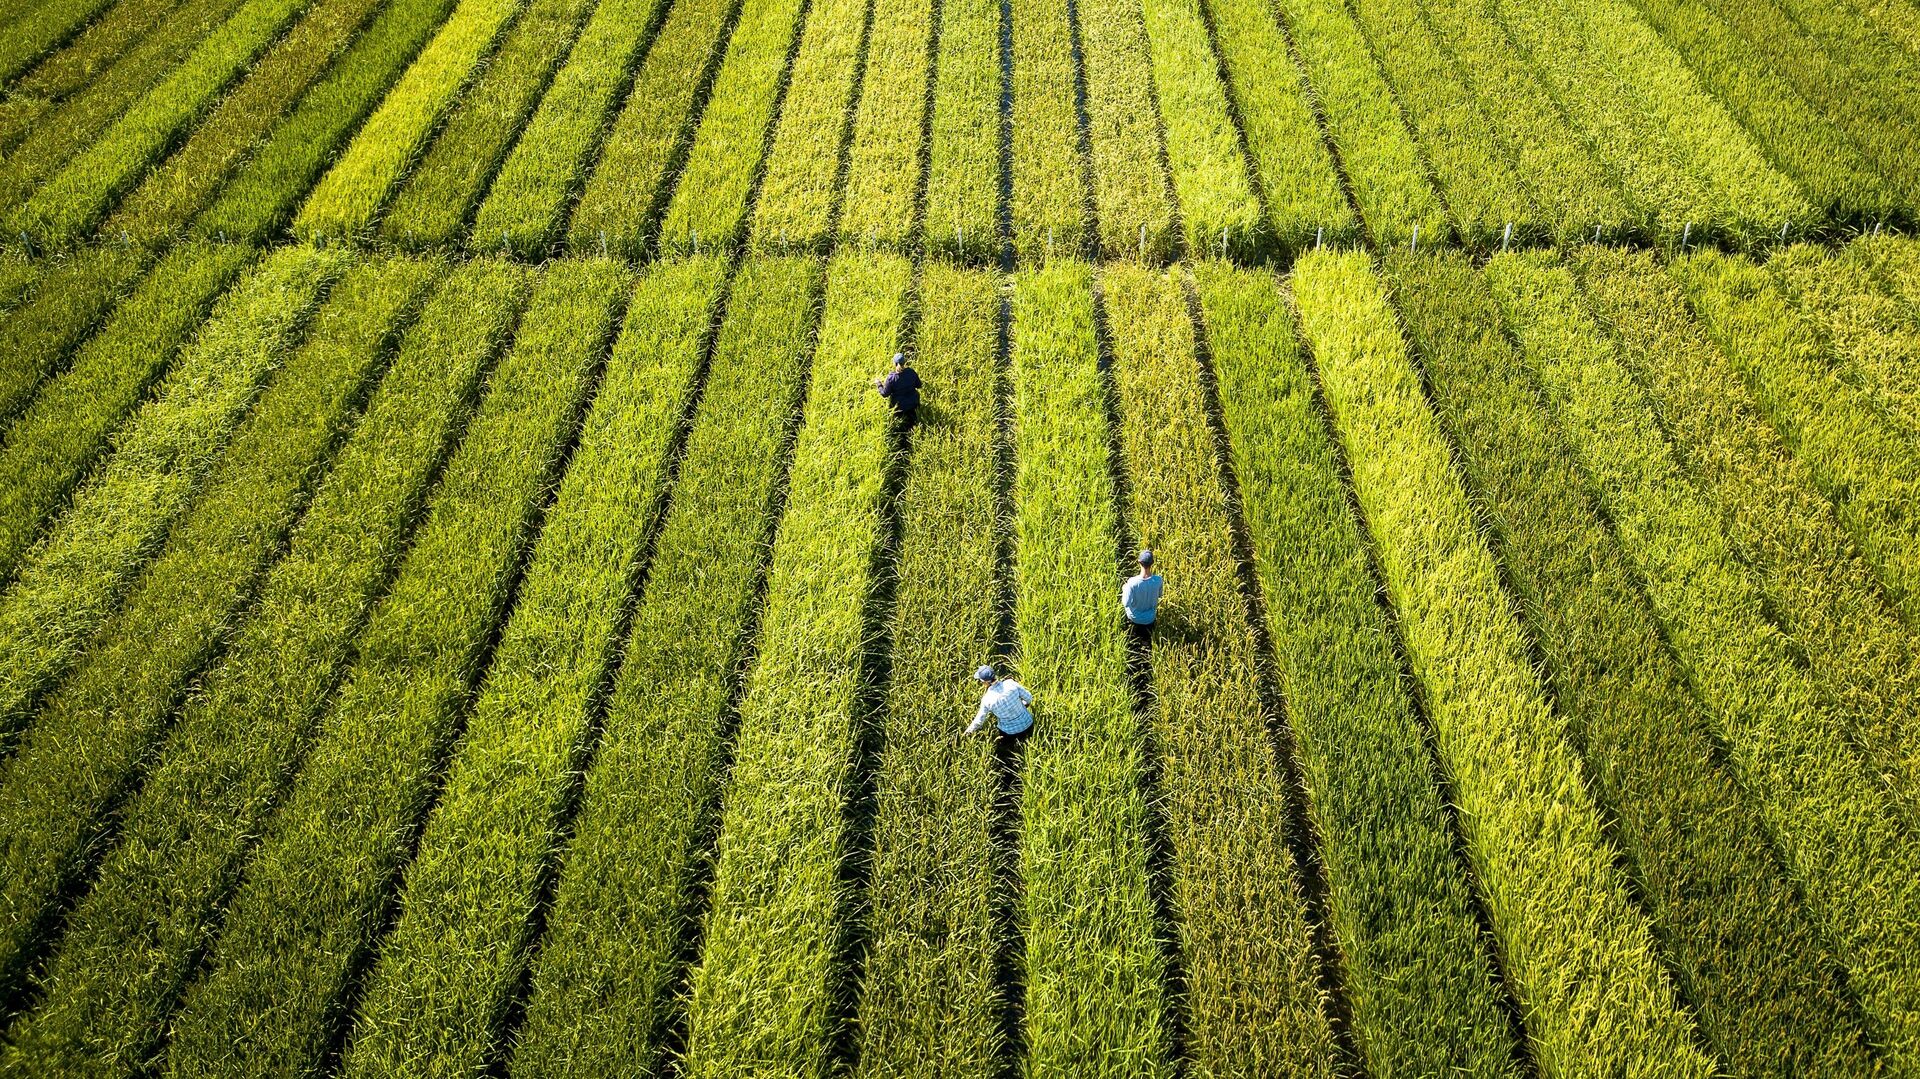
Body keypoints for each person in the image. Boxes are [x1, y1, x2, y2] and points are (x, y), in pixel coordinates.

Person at [966, 665, 1033, 739]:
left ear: (985, 682)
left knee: (1007, 744)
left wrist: (967, 732)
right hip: (1028, 723)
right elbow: (1029, 698)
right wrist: (1023, 705)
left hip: (1010, 732)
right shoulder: (1011, 684)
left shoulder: (987, 699)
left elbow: (979, 721)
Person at [1121, 549, 1163, 644]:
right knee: (1147, 633)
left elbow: (1126, 603)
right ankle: (1146, 641)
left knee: (1134, 629)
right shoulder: (1158, 580)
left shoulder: (1132, 582)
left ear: (1139, 562)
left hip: (1134, 617)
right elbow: (1160, 595)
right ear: (1152, 563)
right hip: (1150, 618)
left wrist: (1124, 589)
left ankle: (1133, 639)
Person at [875, 352, 922, 427]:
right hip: (914, 403)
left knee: (900, 416)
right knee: (913, 418)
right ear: (904, 362)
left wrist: (879, 384)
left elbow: (884, 394)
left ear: (895, 363)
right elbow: (919, 385)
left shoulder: (891, 378)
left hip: (900, 407)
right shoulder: (911, 372)